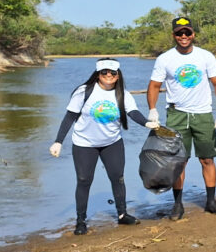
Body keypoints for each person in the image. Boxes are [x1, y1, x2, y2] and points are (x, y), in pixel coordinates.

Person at [50, 58, 155, 234]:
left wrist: (146, 123)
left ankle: (122, 215)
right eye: (104, 72)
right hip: (84, 144)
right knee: (84, 180)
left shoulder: (123, 94)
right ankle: (81, 221)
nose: (109, 75)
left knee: (117, 177)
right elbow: (69, 117)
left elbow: (133, 113)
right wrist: (58, 142)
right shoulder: (84, 92)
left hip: (112, 143)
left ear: (118, 75)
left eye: (113, 73)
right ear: (98, 74)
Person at [146, 17, 216, 220]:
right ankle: (177, 204)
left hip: (202, 114)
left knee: (207, 159)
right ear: (173, 35)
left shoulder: (205, 56)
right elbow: (154, 85)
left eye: (187, 33)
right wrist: (152, 109)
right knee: (178, 161)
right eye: (179, 33)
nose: (183, 37)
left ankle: (210, 201)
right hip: (177, 115)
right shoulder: (165, 59)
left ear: (193, 34)